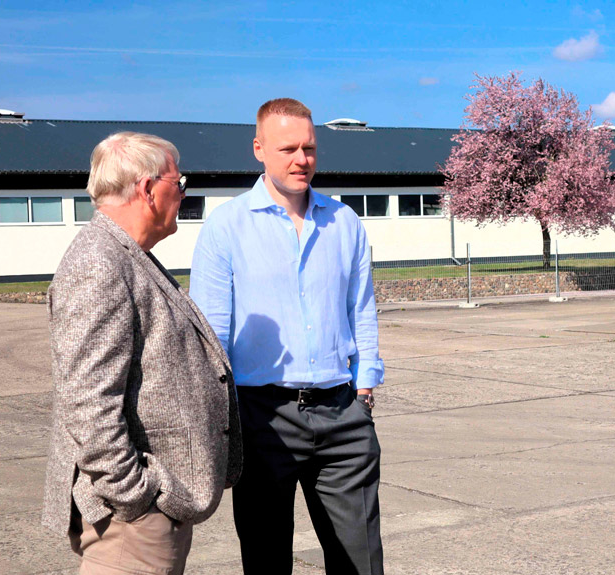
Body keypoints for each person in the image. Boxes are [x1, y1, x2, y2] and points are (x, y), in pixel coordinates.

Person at [190, 98, 384, 575]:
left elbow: (361, 309)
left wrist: (364, 386)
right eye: (288, 148)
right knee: (267, 562)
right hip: (261, 419)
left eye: (310, 148)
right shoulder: (225, 228)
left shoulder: (344, 222)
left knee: (361, 563)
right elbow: (210, 334)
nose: (302, 159)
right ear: (259, 149)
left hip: (343, 414)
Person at [42, 132, 242, 575]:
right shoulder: (100, 263)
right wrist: (138, 498)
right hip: (130, 523)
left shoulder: (128, 255)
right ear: (148, 189)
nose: (185, 192)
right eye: (179, 180)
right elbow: (89, 404)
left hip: (144, 513)